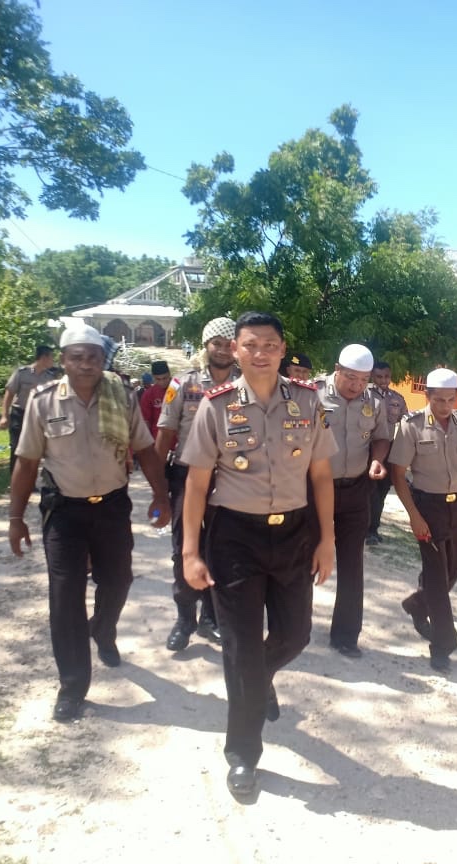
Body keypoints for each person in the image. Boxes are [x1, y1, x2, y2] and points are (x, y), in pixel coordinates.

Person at [181, 311, 336, 799]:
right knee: (243, 650)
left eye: (270, 343)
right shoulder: (217, 406)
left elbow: (321, 477)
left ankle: (259, 674)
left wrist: (327, 539)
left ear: (282, 347)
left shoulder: (309, 402)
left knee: (296, 634)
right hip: (235, 539)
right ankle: (243, 754)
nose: (261, 352)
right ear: (236, 350)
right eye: (251, 345)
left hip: (293, 534)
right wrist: (190, 551)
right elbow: (197, 483)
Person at [8, 324, 171, 723]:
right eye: (76, 357)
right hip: (64, 511)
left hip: (112, 507)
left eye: (92, 357)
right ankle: (72, 686)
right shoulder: (43, 401)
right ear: (63, 361)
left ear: (103, 360)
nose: (85, 365)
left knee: (118, 581)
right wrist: (15, 518)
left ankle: (102, 629)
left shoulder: (121, 396)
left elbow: (146, 450)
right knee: (65, 598)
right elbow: (27, 462)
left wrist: (162, 496)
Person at [154, 317, 239, 651]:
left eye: (226, 343)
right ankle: (185, 618)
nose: (220, 349)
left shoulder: (245, 384)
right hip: (187, 477)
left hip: (230, 479)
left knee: (220, 551)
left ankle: (211, 618)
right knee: (184, 549)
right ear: (206, 346)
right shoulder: (183, 383)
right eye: (215, 342)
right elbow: (165, 434)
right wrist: (159, 489)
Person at [388, 368, 457, 674]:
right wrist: (414, 517)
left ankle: (416, 604)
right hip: (428, 507)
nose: (445, 405)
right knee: (438, 579)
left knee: (451, 573)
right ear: (427, 396)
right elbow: (398, 476)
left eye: (451, 399)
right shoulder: (411, 426)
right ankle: (443, 644)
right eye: (439, 399)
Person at [315, 344, 392, 659]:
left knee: (351, 564)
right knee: (303, 558)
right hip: (316, 490)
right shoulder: (312, 395)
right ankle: (287, 625)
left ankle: (345, 636)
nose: (356, 385)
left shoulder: (374, 402)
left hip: (356, 491)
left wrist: (377, 460)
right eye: (350, 377)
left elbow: (382, 437)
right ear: (336, 369)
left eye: (363, 379)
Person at [0, 345, 57, 475]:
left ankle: (31, 479)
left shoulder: (49, 377)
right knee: (16, 448)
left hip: (38, 417)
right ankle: (15, 481)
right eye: (51, 357)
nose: (53, 360)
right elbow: (9, 394)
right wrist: (4, 416)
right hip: (19, 414)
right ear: (44, 357)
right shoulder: (21, 373)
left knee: (35, 449)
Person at [367, 360, 408, 544]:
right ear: (372, 376)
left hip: (389, 451)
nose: (383, 380)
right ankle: (363, 529)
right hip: (366, 449)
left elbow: (406, 425)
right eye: (379, 376)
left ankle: (373, 529)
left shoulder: (397, 399)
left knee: (381, 491)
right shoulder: (364, 396)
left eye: (386, 376)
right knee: (367, 492)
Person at [139, 360, 171, 441]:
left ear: (169, 375)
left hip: (178, 440)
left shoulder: (179, 390)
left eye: (165, 378)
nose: (162, 382)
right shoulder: (148, 394)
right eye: (158, 379)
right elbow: (146, 421)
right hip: (157, 440)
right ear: (153, 377)